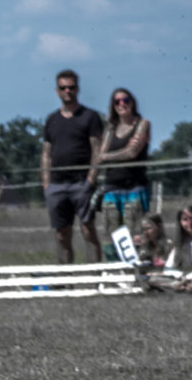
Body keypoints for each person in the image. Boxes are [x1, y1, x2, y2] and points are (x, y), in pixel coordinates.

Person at [41, 70, 103, 263]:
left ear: (78, 89)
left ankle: (95, 279)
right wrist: (46, 183)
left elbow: (97, 149)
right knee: (61, 234)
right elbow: (46, 152)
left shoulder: (90, 117)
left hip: (81, 183)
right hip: (57, 186)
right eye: (63, 87)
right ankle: (67, 280)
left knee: (87, 230)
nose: (67, 91)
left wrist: (91, 179)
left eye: (71, 87)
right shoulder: (52, 120)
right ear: (57, 91)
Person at [97, 88, 150, 251]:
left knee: (135, 235)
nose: (121, 104)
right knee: (110, 236)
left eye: (125, 100)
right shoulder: (111, 129)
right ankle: (115, 271)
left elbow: (133, 152)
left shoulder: (142, 124)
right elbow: (101, 155)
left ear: (132, 102)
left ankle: (136, 271)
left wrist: (109, 156)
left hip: (134, 187)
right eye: (117, 101)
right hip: (112, 187)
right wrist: (118, 153)